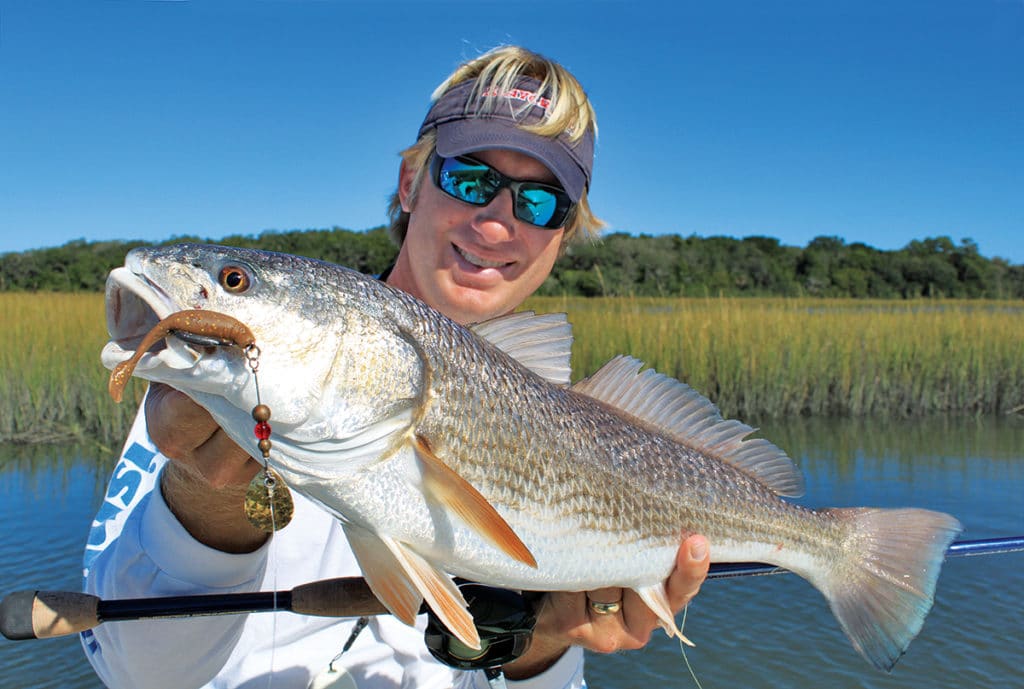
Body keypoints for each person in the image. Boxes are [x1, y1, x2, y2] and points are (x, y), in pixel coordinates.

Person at [83, 45, 710, 689]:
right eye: (470, 178)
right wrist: (203, 501)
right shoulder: (210, 394)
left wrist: (540, 647)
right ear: (411, 182)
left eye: (542, 202)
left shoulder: (567, 415)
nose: (497, 224)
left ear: (562, 234)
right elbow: (138, 673)